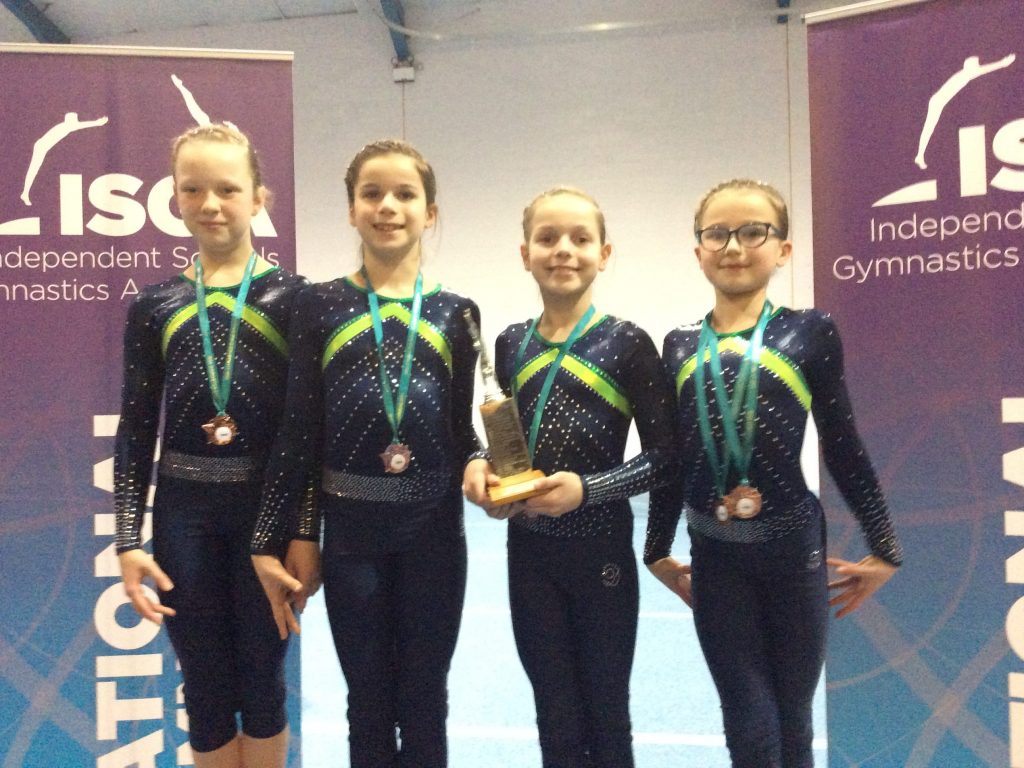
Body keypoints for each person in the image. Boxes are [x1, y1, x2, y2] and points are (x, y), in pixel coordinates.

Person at [644, 178, 904, 768]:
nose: (734, 246)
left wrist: (885, 547)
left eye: (753, 232)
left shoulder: (808, 332)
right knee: (750, 725)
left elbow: (842, 444)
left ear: (783, 248)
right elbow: (674, 460)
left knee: (793, 721)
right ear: (698, 250)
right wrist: (656, 548)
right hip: (716, 558)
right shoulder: (679, 345)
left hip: (793, 555)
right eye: (717, 233)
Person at [251, 139, 480, 768]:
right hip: (352, 535)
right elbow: (299, 432)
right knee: (369, 702)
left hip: (434, 534)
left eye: (405, 194)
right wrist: (294, 534)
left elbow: (462, 432)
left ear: (430, 212)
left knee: (426, 700)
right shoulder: (318, 304)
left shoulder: (456, 312)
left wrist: (480, 464)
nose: (388, 206)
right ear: (351, 209)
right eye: (371, 194)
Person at [114, 122, 307, 767]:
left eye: (228, 189)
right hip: (184, 518)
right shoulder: (155, 305)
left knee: (262, 681)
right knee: (204, 687)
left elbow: (306, 433)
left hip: (264, 517)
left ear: (259, 199)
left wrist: (302, 531)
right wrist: (126, 540)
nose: (210, 204)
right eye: (192, 189)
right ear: (174, 198)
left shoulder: (295, 300)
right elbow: (136, 426)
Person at [463, 187, 677, 768]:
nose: (563, 249)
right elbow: (509, 447)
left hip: (601, 552)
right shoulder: (511, 343)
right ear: (524, 253)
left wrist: (589, 490)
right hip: (530, 555)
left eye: (580, 239)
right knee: (554, 717)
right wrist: (492, 478)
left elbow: (667, 457)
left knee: (606, 716)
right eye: (548, 238)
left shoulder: (627, 343)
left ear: (604, 254)